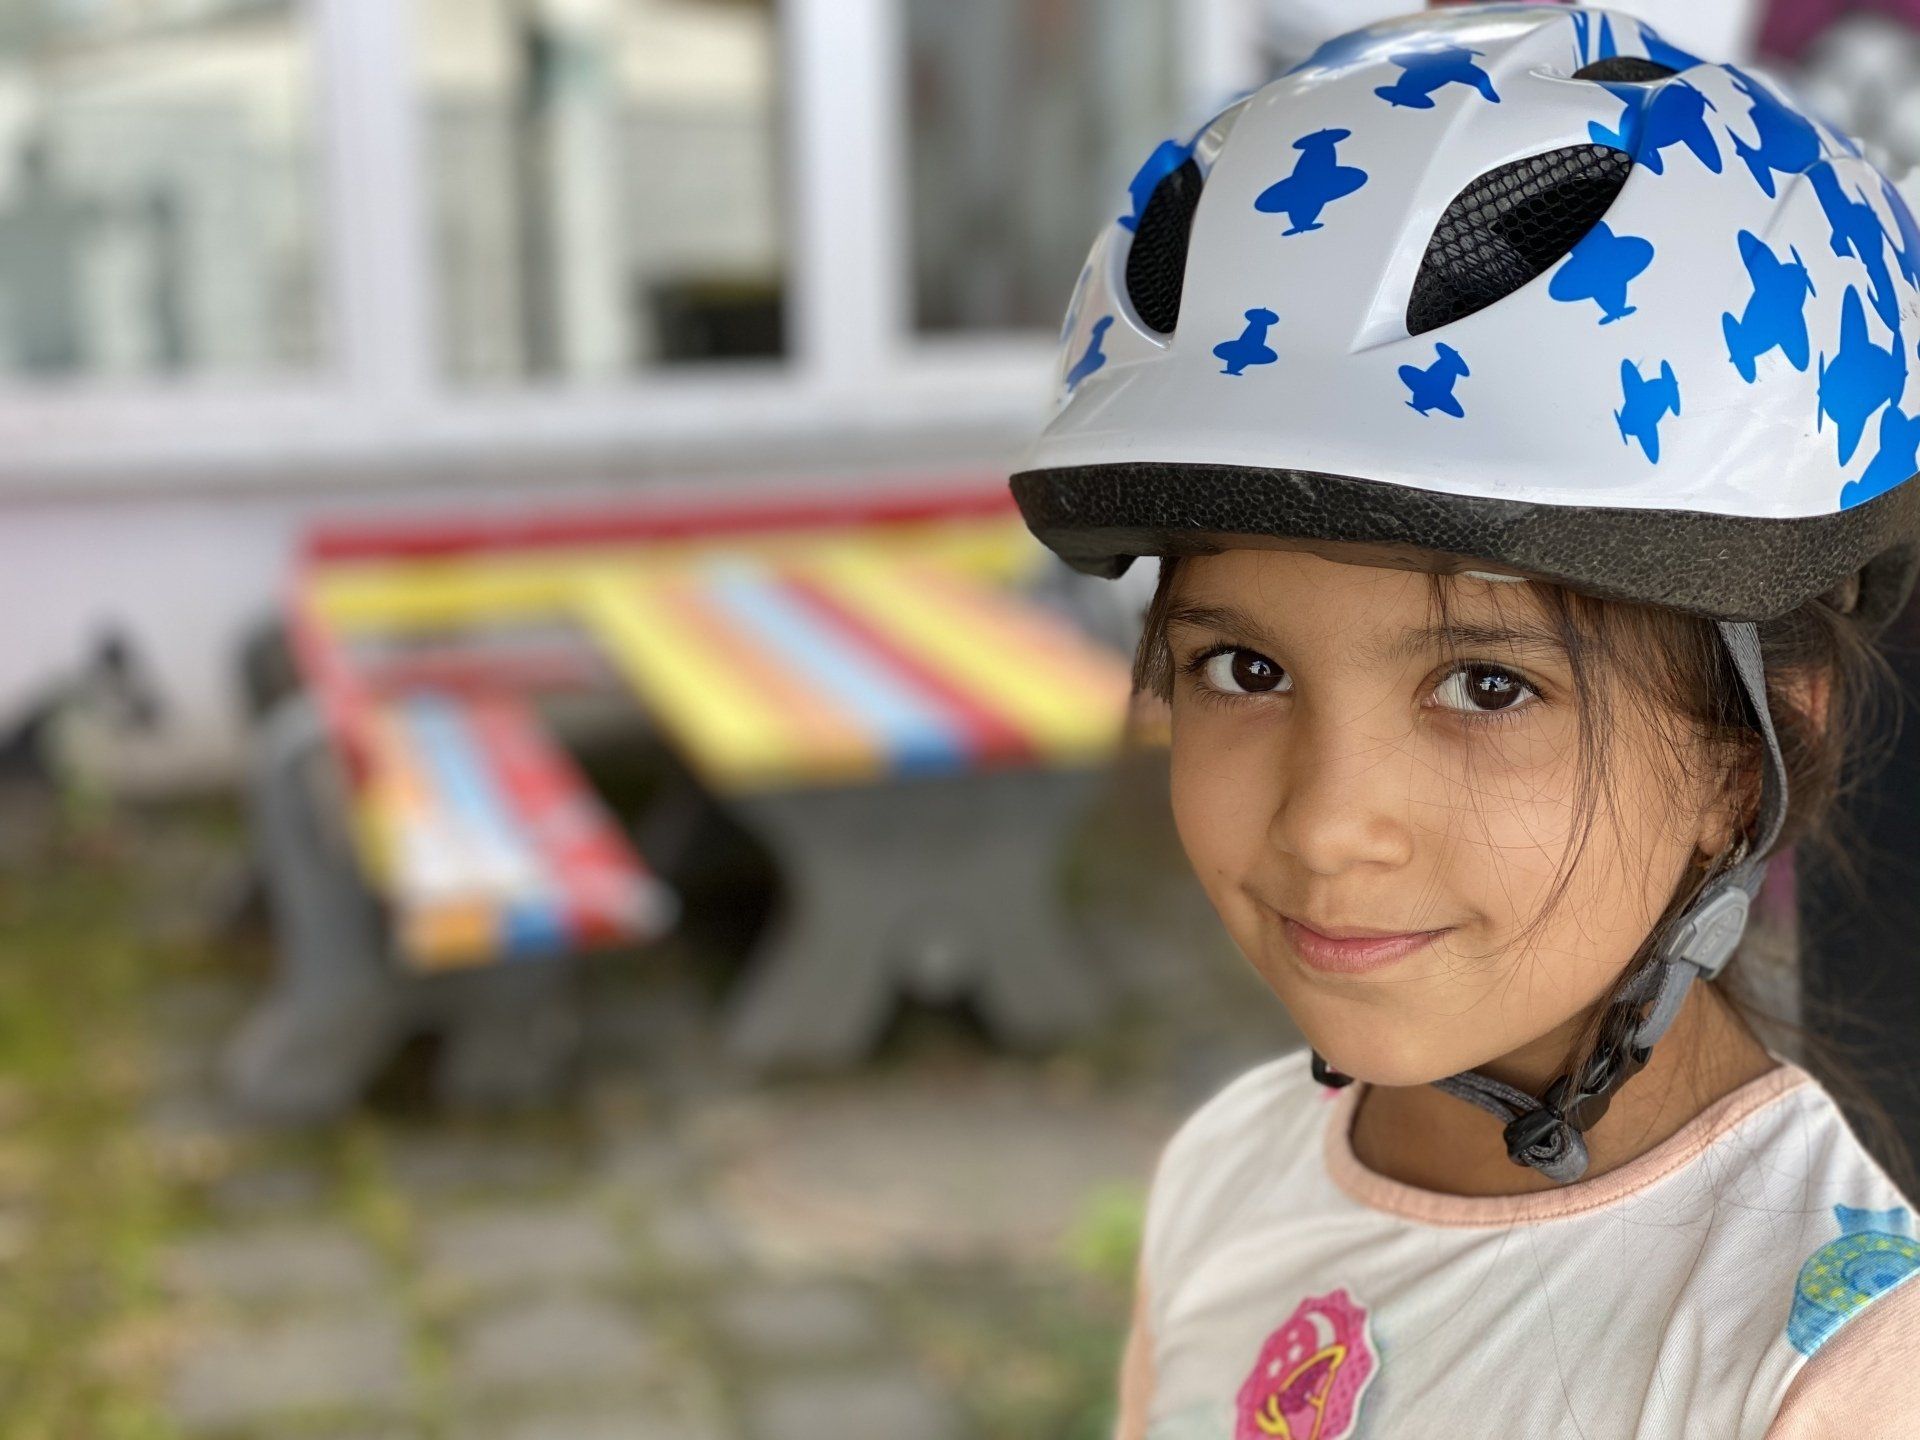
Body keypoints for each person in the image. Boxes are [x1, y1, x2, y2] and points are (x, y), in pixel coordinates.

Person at [1010, 6, 1920, 1437]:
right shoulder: (1228, 1179)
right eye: (1242, 668)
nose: (1327, 826)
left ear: (1750, 755)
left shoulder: (1838, 1365)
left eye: (1489, 686)